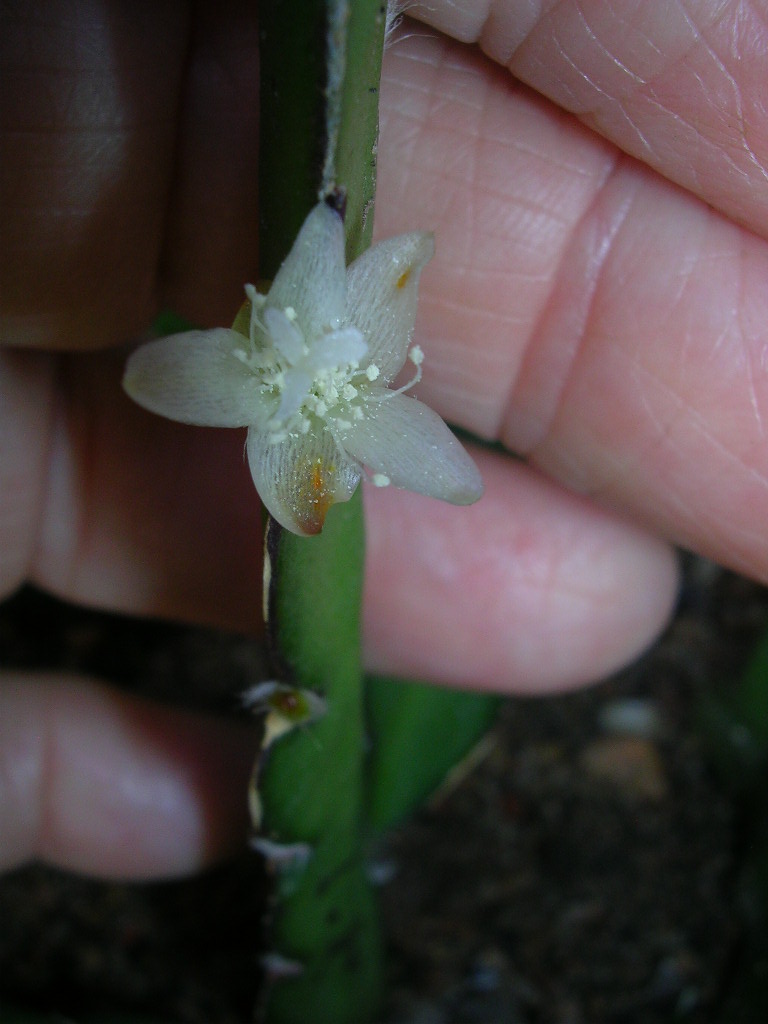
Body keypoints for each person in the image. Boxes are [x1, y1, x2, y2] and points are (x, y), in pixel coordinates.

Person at [2, 0, 766, 881]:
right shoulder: (218, 374)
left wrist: (341, 268)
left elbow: (404, 294)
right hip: (286, 383)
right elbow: (164, 376)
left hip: (344, 389)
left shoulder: (371, 351)